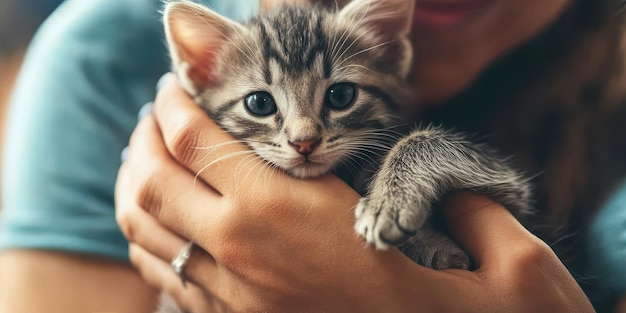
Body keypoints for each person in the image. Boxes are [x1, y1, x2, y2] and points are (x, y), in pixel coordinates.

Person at [0, 0, 624, 312]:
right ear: (198, 74)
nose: (302, 136)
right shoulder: (103, 58)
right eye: (265, 106)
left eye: (340, 96)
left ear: (388, 51)